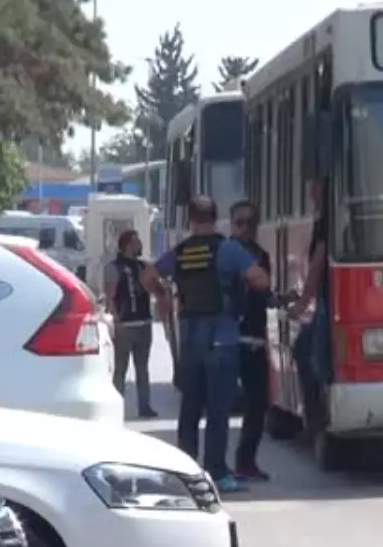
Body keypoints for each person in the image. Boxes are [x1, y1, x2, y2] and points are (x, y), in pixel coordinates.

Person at [142, 196, 270, 493]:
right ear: (217, 218)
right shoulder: (228, 249)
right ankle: (217, 472)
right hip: (222, 340)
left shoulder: (181, 252)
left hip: (190, 340)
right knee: (218, 410)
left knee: (190, 407)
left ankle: (185, 472)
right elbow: (259, 279)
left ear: (190, 220)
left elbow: (148, 274)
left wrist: (162, 294)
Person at [228, 200, 280, 482]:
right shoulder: (224, 253)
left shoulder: (261, 255)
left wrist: (282, 300)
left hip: (254, 337)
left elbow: (264, 294)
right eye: (239, 223)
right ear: (231, 224)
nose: (245, 229)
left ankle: (245, 462)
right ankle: (214, 466)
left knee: (258, 403)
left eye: (251, 223)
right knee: (217, 404)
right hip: (226, 338)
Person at [287, 179, 331, 429]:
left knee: (306, 349)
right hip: (326, 296)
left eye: (315, 185)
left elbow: (318, 262)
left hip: (329, 298)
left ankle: (317, 417)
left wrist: (304, 302)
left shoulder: (327, 219)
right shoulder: (327, 215)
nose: (311, 191)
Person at [103, 229, 157, 418]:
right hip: (125, 325)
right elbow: (110, 296)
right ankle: (116, 407)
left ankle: (145, 406)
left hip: (144, 322)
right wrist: (116, 320)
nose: (139, 245)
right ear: (126, 245)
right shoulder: (114, 267)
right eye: (136, 242)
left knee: (142, 368)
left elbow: (154, 289)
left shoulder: (143, 267)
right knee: (121, 368)